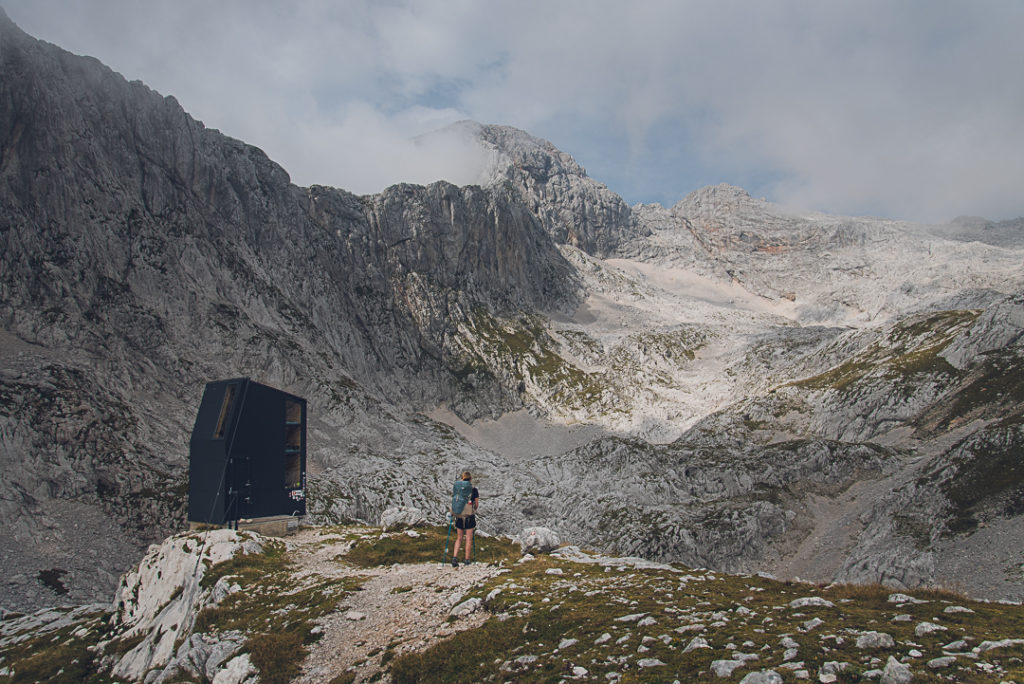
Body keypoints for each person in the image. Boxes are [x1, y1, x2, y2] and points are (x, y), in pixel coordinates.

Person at [451, 471, 479, 567]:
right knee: (468, 538)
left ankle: (454, 558)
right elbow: (477, 504)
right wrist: (473, 509)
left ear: (462, 479)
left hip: (459, 515)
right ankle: (467, 559)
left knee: (459, 538)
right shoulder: (473, 490)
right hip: (469, 516)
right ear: (470, 479)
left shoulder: (458, 489)